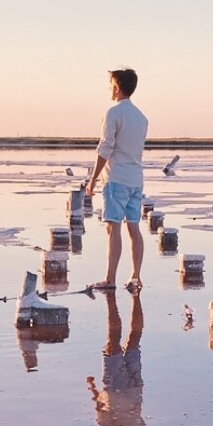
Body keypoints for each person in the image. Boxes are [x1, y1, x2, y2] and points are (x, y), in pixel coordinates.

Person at [85, 67, 148, 293]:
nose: (109, 88)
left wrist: (93, 179)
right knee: (133, 228)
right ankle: (135, 276)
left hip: (116, 179)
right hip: (135, 180)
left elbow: (105, 148)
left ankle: (110, 278)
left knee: (113, 228)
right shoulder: (141, 117)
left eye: (111, 84)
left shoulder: (113, 113)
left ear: (117, 86)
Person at [86, 292, 146, 426]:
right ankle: (110, 298)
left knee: (134, 341)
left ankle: (136, 297)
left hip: (136, 392)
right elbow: (104, 420)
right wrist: (93, 391)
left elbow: (138, 419)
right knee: (113, 342)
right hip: (116, 392)